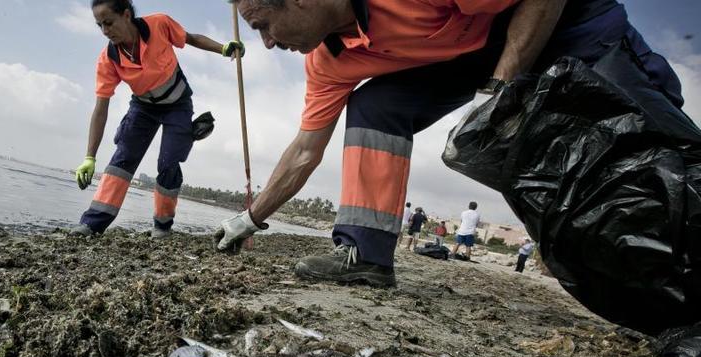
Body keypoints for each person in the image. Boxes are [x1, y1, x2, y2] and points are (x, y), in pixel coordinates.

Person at [213, 0, 689, 290]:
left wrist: (501, 90)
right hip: (466, 51)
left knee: (653, 142)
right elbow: (303, 151)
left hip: (561, 19)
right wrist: (248, 218)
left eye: (262, 25)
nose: (267, 43)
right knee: (377, 107)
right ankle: (364, 256)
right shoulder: (327, 62)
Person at [72, 0, 245, 239]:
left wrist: (224, 48)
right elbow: (101, 108)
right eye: (99, 25)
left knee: (168, 163)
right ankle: (92, 223)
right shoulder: (108, 59)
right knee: (122, 159)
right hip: (143, 108)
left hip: (178, 105)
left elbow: (191, 38)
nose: (105, 31)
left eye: (109, 22)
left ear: (126, 15)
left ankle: (162, 226)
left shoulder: (159, 25)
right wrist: (89, 156)